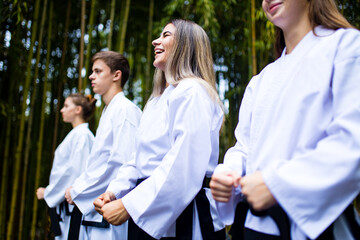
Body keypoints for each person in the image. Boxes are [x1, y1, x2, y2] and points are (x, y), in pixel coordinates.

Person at [210, 0, 360, 239]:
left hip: (314, 228)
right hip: (253, 226)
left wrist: (277, 184)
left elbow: (353, 142)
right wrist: (229, 173)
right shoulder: (261, 80)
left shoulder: (347, 46)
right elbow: (245, 147)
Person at [93, 19, 226, 239]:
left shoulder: (192, 92)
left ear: (186, 44)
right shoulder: (155, 101)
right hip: (143, 206)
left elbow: (182, 166)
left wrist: (129, 205)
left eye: (166, 35)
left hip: (181, 214)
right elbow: (137, 160)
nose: (156, 41)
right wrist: (114, 191)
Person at [64, 51, 142, 240]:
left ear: (116, 75)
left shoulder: (125, 110)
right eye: (92, 72)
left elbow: (121, 164)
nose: (91, 76)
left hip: (112, 206)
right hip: (97, 206)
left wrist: (79, 190)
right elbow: (99, 162)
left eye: (98, 71)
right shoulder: (110, 110)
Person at [36, 93, 96, 240]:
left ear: (78, 110)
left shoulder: (82, 135)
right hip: (66, 205)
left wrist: (49, 192)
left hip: (73, 204)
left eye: (66, 106)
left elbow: (75, 172)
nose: (62, 110)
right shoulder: (77, 134)